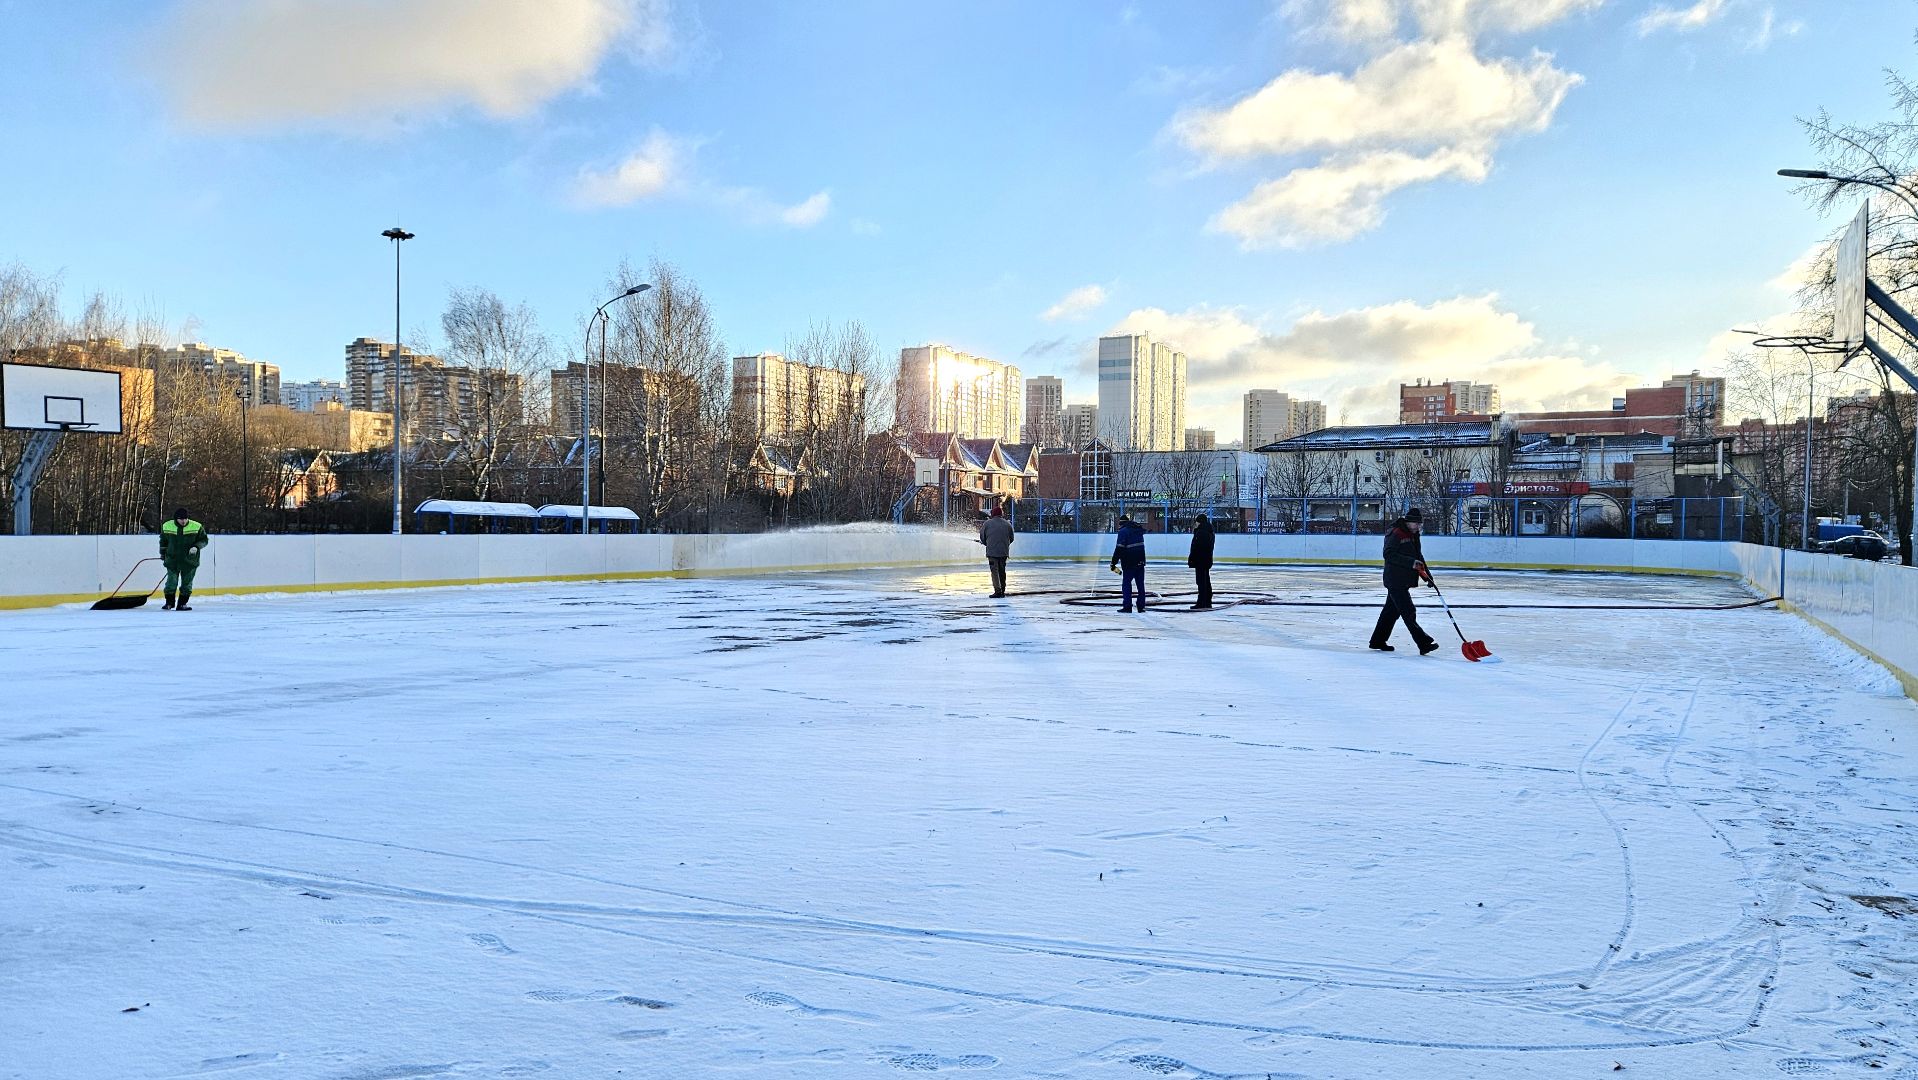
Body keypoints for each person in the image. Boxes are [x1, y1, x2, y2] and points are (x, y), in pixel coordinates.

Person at [1370, 507, 1438, 654]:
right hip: (1394, 580)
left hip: (1403, 580)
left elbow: (1418, 557)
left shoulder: (1413, 534)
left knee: (1391, 612)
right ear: (1408, 522)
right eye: (1416, 524)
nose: (1419, 527)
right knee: (1408, 611)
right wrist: (1410, 563)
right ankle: (1423, 643)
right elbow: (1388, 554)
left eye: (1420, 524)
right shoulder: (1396, 533)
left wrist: (1428, 576)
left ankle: (1377, 640)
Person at [159, 506, 210, 611]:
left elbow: (204, 540)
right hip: (172, 560)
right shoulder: (167, 526)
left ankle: (182, 604)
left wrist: (196, 546)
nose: (184, 521)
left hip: (190, 561)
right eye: (181, 519)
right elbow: (163, 542)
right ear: (176, 519)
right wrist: (163, 554)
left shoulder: (197, 526)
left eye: (185, 518)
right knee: (171, 582)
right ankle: (169, 603)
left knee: (187, 584)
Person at [1110, 514, 1147, 612]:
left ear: (1121, 523)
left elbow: (1119, 548)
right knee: (1140, 584)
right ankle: (1141, 606)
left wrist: (1113, 563)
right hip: (1140, 561)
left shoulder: (1123, 531)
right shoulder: (1138, 530)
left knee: (1126, 584)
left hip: (1129, 562)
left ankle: (1127, 606)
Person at [978, 506, 1015, 598]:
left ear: (993, 514)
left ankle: (997, 591)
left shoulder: (987, 524)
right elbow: (1012, 538)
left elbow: (982, 537)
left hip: (992, 552)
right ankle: (1002, 590)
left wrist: (987, 543)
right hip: (1004, 552)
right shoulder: (1007, 524)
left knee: (994, 571)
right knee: (1002, 571)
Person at [1187, 513, 1215, 609]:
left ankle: (1202, 602)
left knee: (1201, 582)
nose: (1196, 524)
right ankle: (1207, 601)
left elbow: (1197, 548)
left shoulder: (1201, 532)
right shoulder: (1209, 531)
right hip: (1206, 560)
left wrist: (1192, 559)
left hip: (1200, 561)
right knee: (1206, 581)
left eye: (1197, 522)